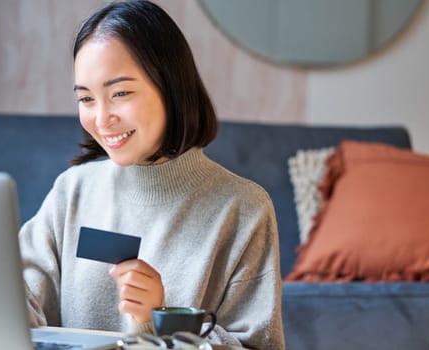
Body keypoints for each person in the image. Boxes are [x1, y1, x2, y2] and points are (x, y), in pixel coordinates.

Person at [19, 1, 284, 348]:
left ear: (171, 88)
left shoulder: (244, 209)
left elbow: (255, 346)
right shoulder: (73, 189)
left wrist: (158, 321)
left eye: (120, 93)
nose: (101, 118)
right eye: (86, 99)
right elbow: (17, 300)